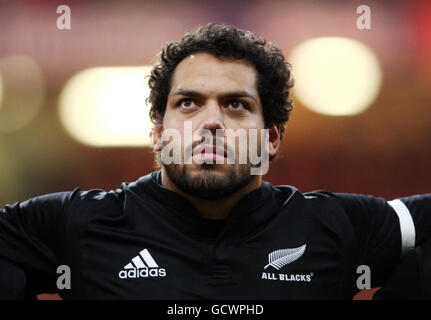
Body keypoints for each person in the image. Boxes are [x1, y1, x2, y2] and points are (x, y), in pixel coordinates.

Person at [0, 23, 430, 299]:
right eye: (188, 103)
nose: (211, 123)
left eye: (236, 105)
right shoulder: (79, 222)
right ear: (157, 133)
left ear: (272, 137)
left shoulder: (331, 225)